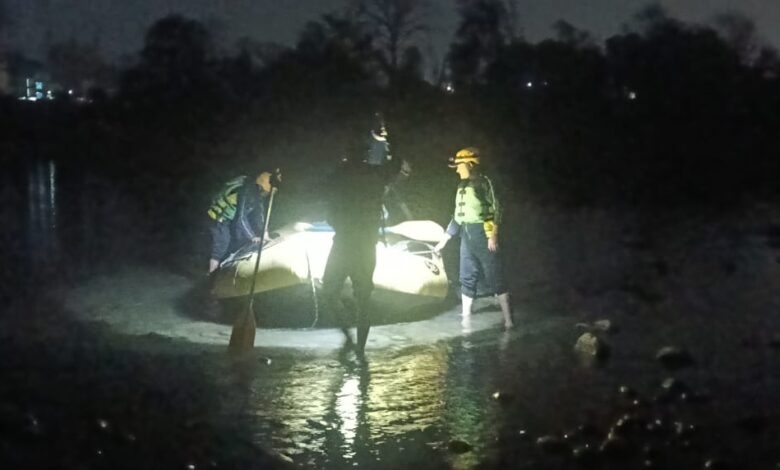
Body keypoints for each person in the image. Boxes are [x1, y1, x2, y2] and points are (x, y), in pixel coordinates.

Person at [322, 118, 405, 356]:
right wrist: (392, 138)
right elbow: (397, 165)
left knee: (330, 291)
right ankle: (358, 347)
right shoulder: (375, 174)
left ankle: (350, 339)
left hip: (345, 242)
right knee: (363, 297)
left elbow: (318, 191)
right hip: (364, 244)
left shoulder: (341, 174)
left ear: (347, 154)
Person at [434, 148, 514, 329]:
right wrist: (445, 239)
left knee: (495, 275)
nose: (456, 169)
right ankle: (466, 317)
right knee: (466, 276)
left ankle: (509, 320)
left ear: (470, 165)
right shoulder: (461, 186)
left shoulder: (485, 183)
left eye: (459, 166)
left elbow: (497, 209)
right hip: (466, 235)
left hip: (483, 234)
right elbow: (457, 216)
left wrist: (492, 235)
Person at [207, 168, 280, 274]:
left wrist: (265, 233)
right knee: (222, 244)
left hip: (229, 218)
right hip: (219, 217)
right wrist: (252, 237)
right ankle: (211, 273)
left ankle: (222, 269)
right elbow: (240, 218)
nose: (266, 195)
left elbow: (259, 214)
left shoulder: (257, 195)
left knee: (237, 240)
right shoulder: (247, 191)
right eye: (265, 192)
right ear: (260, 187)